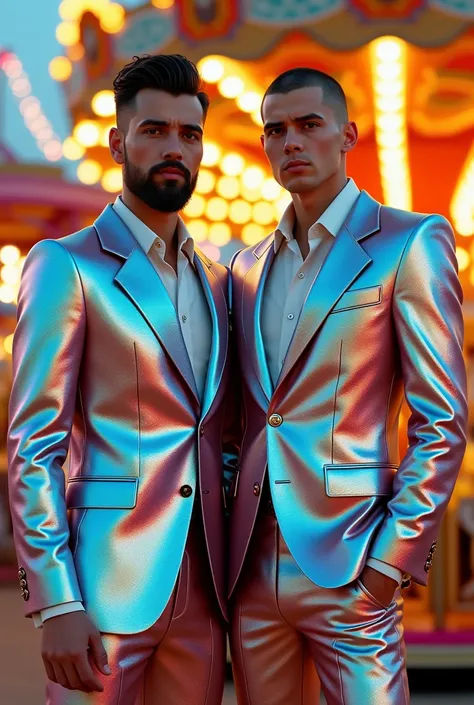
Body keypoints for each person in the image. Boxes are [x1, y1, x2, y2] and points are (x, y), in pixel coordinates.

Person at [228, 67, 467, 705]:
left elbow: (442, 417)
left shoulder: (409, 241)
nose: (291, 143)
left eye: (309, 125)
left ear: (348, 134)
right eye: (275, 131)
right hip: (252, 568)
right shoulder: (245, 268)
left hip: (354, 560)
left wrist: (393, 561)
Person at [8, 53, 236, 705]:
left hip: (204, 589)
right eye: (154, 131)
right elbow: (34, 444)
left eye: (188, 135)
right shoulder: (64, 264)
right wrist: (54, 598)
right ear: (116, 143)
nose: (174, 149)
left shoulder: (219, 281)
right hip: (103, 586)